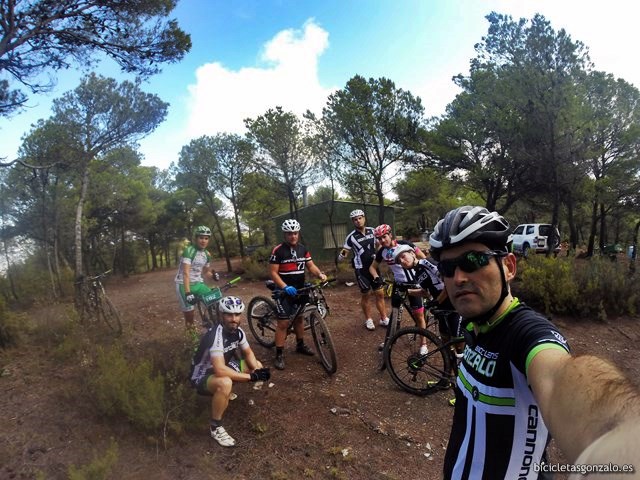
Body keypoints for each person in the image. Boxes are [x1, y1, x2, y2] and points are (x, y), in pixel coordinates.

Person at [428, 206, 640, 479]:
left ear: (509, 267)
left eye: (473, 260)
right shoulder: (474, 324)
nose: (458, 278)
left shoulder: (526, 334)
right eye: (447, 268)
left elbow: (559, 374)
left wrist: (622, 441)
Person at [190, 296, 271, 447]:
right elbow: (220, 370)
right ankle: (215, 427)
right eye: (229, 315)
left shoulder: (238, 332)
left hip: (219, 368)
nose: (234, 319)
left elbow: (248, 353)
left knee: (256, 364)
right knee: (225, 383)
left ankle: (224, 394)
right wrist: (251, 377)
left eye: (237, 314)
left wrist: (257, 371)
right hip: (201, 375)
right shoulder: (216, 335)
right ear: (221, 315)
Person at [269, 219, 327, 370]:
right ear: (285, 234)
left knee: (299, 318)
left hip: (300, 289)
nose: (293, 236)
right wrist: (284, 287)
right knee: (283, 323)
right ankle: (279, 354)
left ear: (298, 233)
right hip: (284, 290)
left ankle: (300, 345)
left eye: (295, 233)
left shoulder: (303, 249)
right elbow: (273, 273)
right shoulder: (278, 250)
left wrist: (319, 274)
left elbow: (311, 266)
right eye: (289, 233)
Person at [368, 224, 428, 351]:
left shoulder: (405, 244)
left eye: (384, 237)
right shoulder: (382, 252)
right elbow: (372, 267)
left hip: (414, 283)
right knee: (394, 313)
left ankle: (423, 344)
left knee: (419, 316)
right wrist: (376, 277)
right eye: (379, 238)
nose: (382, 240)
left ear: (390, 235)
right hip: (399, 285)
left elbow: (424, 258)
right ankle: (389, 341)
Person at [338, 209, 388, 331]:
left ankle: (383, 318)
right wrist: (341, 256)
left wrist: (379, 253)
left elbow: (379, 244)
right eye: (355, 219)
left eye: (360, 218)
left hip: (374, 267)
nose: (358, 221)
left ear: (364, 218)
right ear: (353, 222)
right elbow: (345, 250)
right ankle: (368, 319)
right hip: (361, 269)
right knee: (366, 294)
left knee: (380, 293)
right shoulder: (351, 237)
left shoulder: (373, 231)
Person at [174, 225, 219, 329]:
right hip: (184, 285)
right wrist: (188, 293)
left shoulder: (207, 254)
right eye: (201, 238)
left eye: (206, 238)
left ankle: (213, 326)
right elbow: (185, 273)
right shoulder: (189, 251)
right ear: (196, 238)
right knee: (190, 317)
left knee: (214, 301)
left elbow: (206, 272)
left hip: (198, 283)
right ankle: (192, 337)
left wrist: (213, 276)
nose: (203, 241)